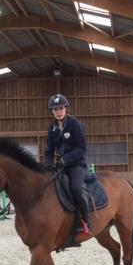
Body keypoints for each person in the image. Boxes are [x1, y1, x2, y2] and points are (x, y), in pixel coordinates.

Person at [44, 93, 92, 235]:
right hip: (61, 165)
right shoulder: (52, 129)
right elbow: (49, 150)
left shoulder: (74, 124)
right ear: (52, 111)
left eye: (60, 108)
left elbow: (81, 147)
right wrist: (48, 163)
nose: (58, 111)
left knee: (75, 188)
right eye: (55, 109)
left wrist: (66, 160)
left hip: (77, 164)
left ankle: (86, 220)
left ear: (65, 108)